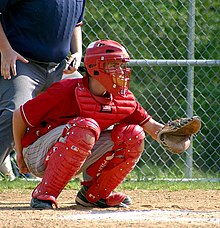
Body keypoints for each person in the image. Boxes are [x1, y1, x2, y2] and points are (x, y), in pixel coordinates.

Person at [13, 40, 164, 209]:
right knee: (85, 127)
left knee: (133, 134)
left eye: (122, 65)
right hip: (37, 152)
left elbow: (152, 127)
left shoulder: (123, 99)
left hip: (77, 148)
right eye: (114, 64)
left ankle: (94, 195)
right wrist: (20, 154)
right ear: (95, 67)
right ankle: (44, 194)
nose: (121, 71)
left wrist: (174, 137)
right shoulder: (67, 89)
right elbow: (20, 116)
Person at [0, 0, 86, 167]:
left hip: (61, 68)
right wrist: (5, 50)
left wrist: (77, 52)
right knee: (14, 113)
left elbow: (76, 23)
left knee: (92, 104)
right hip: (23, 63)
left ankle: (93, 187)